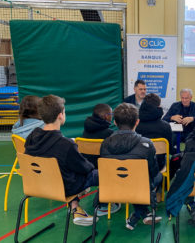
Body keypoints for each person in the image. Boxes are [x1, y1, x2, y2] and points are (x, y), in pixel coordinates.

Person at [24, 95, 115, 226]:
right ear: (60, 115)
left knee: (69, 170)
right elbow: (85, 168)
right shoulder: (65, 144)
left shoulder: (32, 137)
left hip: (38, 184)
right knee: (101, 174)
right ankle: (103, 205)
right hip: (63, 187)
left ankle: (75, 207)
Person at [100, 103, 162, 230]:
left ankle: (140, 214)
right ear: (137, 122)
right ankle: (141, 213)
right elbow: (153, 172)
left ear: (115, 122)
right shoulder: (146, 144)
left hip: (111, 190)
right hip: (139, 189)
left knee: (131, 180)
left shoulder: (104, 144)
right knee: (158, 176)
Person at [136, 93, 174, 170]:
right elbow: (170, 150)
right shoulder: (165, 126)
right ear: (158, 107)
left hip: (139, 163)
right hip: (159, 165)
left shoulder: (135, 125)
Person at [81, 103, 114, 168]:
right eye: (111, 114)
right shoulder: (109, 134)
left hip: (86, 168)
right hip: (103, 169)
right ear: (106, 116)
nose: (112, 116)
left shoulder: (85, 131)